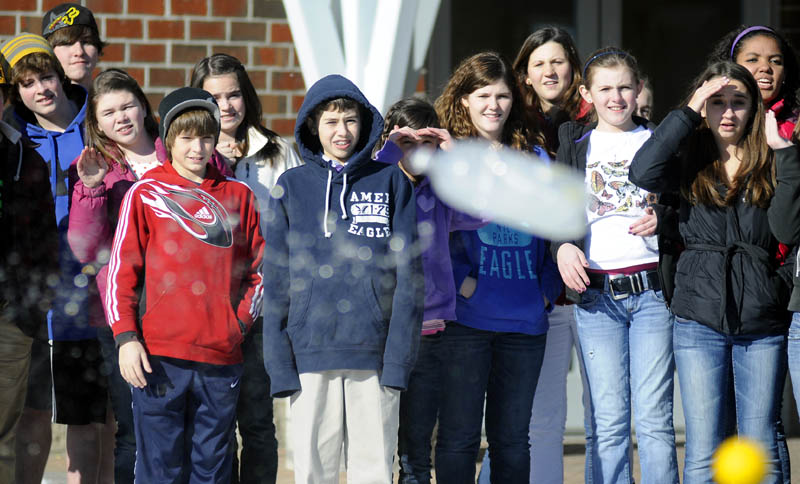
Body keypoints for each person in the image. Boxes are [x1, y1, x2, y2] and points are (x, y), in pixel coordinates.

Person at [629, 60, 800, 484]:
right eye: (716, 102)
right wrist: (689, 109)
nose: (727, 112)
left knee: (761, 445)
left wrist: (786, 154)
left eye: (738, 103)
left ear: (754, 109)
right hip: (698, 318)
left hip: (762, 319)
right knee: (704, 451)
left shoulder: (773, 160)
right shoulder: (689, 158)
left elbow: (787, 229)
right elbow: (642, 171)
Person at [262, 74, 423, 483]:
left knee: (373, 471)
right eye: (331, 121)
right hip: (309, 354)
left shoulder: (390, 181)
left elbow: (409, 278)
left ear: (364, 124)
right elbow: (277, 279)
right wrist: (279, 364)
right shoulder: (291, 186)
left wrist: (398, 360)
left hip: (374, 354)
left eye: (351, 120)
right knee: (314, 472)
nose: (342, 131)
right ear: (313, 126)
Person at [105, 87, 265, 483]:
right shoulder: (145, 193)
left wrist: (236, 325)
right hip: (158, 358)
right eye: (187, 137)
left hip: (220, 357)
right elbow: (121, 272)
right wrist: (126, 338)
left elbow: (260, 271)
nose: (198, 148)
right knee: (160, 470)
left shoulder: (238, 196)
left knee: (211, 471)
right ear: (168, 139)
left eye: (206, 137)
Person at [432, 51, 561, 484]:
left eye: (503, 95)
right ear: (463, 100)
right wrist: (462, 281)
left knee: (511, 441)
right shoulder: (448, 156)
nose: (494, 104)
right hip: (465, 322)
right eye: (482, 94)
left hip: (525, 322)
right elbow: (430, 229)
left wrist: (545, 289)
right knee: (457, 437)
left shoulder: (536, 158)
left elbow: (555, 230)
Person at [553, 47, 678, 484]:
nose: (616, 97)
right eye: (605, 88)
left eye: (625, 86)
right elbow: (555, 207)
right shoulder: (572, 140)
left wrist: (665, 216)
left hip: (652, 296)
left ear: (639, 88)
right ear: (587, 93)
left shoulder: (658, 139)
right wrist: (562, 246)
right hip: (596, 297)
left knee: (654, 421)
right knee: (608, 423)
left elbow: (685, 202)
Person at [0, 32, 113, 484]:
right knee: (28, 417)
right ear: (16, 91)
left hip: (85, 301)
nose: (40, 89)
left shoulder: (96, 127)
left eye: (46, 76)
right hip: (29, 304)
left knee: (87, 419)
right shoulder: (14, 136)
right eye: (27, 83)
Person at [190, 53, 302, 484]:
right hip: (207, 308)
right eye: (213, 96)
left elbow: (298, 227)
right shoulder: (189, 155)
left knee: (257, 423)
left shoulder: (278, 153)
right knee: (212, 426)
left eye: (234, 94)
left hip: (261, 308)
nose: (226, 105)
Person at [373, 97, 486, 484]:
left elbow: (481, 209)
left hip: (429, 333)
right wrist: (390, 149)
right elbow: (373, 182)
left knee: (417, 448)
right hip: (383, 332)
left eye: (427, 144)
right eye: (408, 144)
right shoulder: (376, 187)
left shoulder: (440, 189)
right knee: (378, 443)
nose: (417, 153)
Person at [66, 68, 162, 484]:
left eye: (127, 106)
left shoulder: (178, 151)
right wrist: (91, 190)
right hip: (123, 315)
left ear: (142, 106)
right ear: (97, 122)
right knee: (133, 431)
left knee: (191, 425)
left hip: (182, 305)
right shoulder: (95, 168)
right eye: (109, 112)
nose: (121, 117)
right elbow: (87, 250)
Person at [0, 56, 57, 483]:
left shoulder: (25, 159)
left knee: (2, 433)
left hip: (9, 315)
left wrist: (27, 316)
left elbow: (42, 244)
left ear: (4, 100)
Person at [41, 3, 104, 91]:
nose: (79, 52)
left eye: (86, 42)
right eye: (67, 43)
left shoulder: (116, 101)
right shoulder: (36, 102)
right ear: (49, 52)